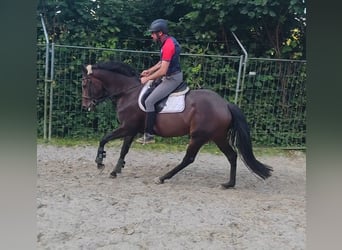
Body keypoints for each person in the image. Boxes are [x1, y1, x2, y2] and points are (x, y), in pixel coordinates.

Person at [136, 19, 183, 144]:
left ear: (160, 33)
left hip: (172, 78)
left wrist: (147, 78)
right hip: (169, 76)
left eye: (153, 33)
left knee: (150, 101)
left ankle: (149, 135)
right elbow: (161, 62)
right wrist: (149, 71)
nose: (151, 35)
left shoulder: (168, 45)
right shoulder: (167, 42)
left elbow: (163, 70)